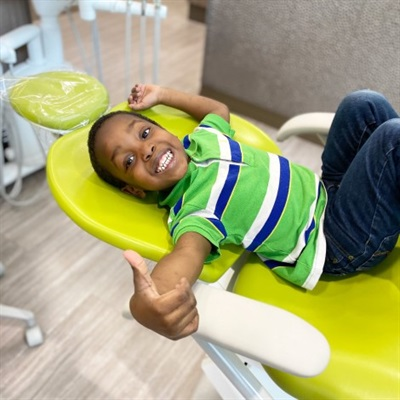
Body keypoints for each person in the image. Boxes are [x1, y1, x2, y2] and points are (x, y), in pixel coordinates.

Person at [88, 84, 400, 340]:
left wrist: (162, 95)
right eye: (128, 162)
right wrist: (147, 305)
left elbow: (217, 111)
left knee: (364, 104)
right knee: (392, 139)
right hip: (335, 239)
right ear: (134, 189)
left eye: (144, 134)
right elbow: (183, 258)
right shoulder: (193, 213)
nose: (146, 150)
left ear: (163, 130)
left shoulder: (203, 139)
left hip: (328, 192)